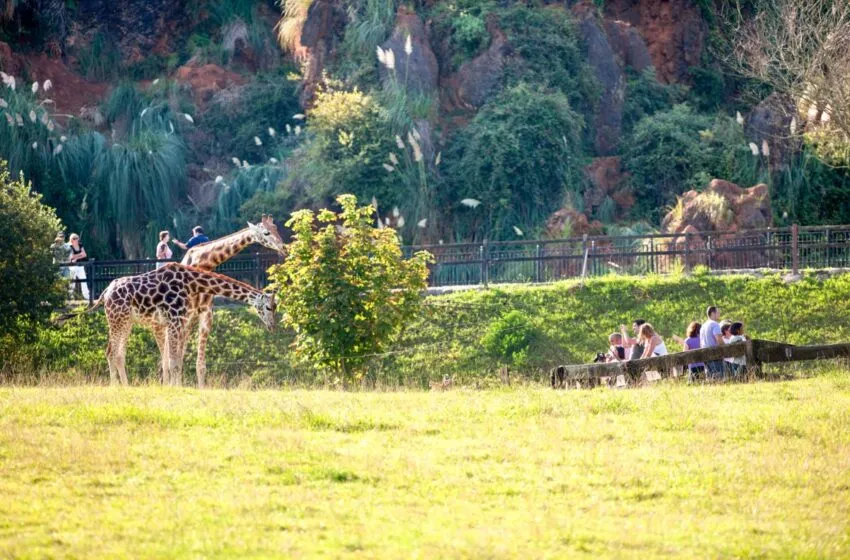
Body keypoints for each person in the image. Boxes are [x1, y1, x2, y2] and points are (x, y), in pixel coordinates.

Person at [699, 306, 725, 378]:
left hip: (705, 355)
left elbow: (701, 343)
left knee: (709, 377)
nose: (719, 314)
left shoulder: (703, 326)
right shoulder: (714, 324)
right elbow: (719, 339)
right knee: (719, 376)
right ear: (713, 313)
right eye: (718, 312)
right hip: (715, 354)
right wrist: (726, 348)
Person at [67, 233, 89, 300]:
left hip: (80, 266)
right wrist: (80, 255)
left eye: (76, 238)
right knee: (72, 282)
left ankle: (87, 297)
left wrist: (76, 257)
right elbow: (71, 256)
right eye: (74, 238)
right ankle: (70, 297)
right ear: (71, 239)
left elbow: (85, 254)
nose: (76, 239)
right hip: (72, 267)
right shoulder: (69, 246)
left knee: (84, 281)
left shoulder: (80, 245)